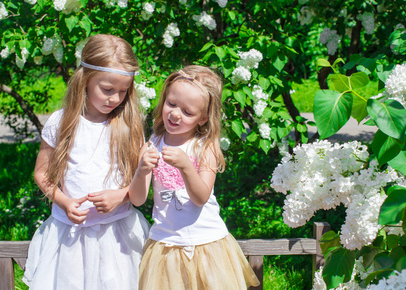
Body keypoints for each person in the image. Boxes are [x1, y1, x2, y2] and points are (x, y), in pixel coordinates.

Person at [23, 34, 151, 290]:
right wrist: (64, 201)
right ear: (85, 80)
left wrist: (121, 195)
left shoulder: (129, 125)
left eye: (123, 91)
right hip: (69, 237)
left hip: (117, 237)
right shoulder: (61, 123)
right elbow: (42, 174)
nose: (115, 98)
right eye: (107, 89)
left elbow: (141, 185)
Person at [129, 65, 260, 289]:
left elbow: (200, 197)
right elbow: (137, 199)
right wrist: (141, 170)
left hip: (206, 244)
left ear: (202, 118)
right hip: (166, 244)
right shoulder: (152, 145)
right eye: (171, 104)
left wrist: (186, 167)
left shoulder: (205, 148)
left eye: (187, 112)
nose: (175, 113)